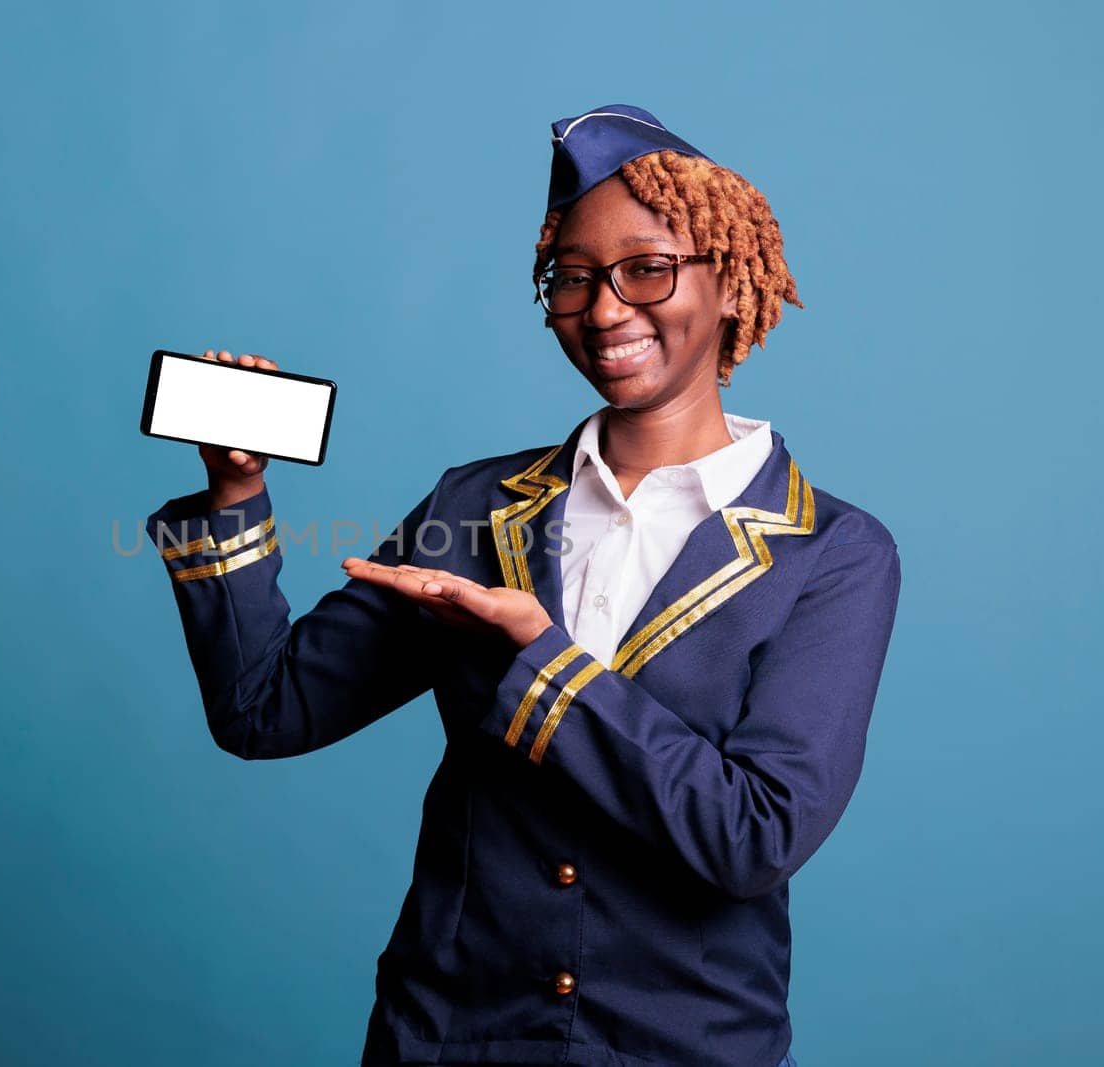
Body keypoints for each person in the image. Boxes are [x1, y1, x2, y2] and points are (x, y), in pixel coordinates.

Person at [144, 103, 897, 1067]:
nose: (606, 308)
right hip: (446, 1039)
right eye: (572, 279)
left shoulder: (833, 553)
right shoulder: (475, 505)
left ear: (729, 277)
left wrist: (540, 658)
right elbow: (265, 709)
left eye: (647, 268)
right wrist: (237, 489)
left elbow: (755, 834)